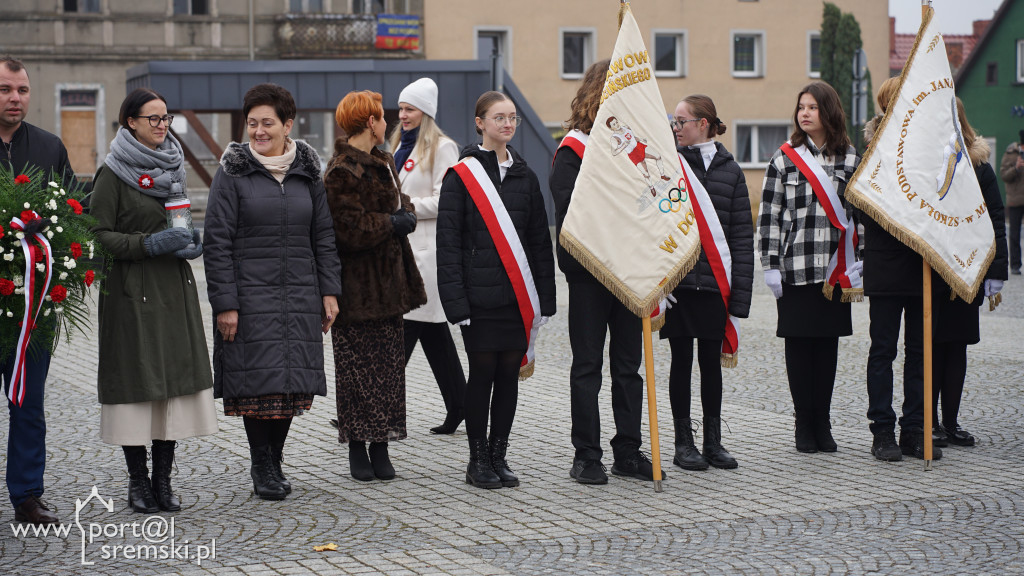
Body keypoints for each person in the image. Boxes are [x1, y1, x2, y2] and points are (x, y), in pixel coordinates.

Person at [205, 83, 342, 501]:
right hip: (249, 298)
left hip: (300, 294)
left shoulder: (307, 173)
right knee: (258, 388)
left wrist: (329, 291)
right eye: (252, 124)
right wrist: (225, 303)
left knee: (288, 387)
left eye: (268, 123)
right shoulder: (232, 174)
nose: (259, 131)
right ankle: (261, 463)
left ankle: (275, 458)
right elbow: (217, 242)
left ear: (288, 125)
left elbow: (323, 236)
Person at [91, 88, 218, 513]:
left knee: (171, 391)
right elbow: (98, 237)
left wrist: (188, 241)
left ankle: (163, 481)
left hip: (173, 291)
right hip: (132, 295)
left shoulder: (174, 166)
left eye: (166, 118)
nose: (162, 126)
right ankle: (138, 482)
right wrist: (148, 244)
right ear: (131, 122)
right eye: (153, 119)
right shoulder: (111, 173)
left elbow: (180, 219)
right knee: (137, 388)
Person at [437, 91, 556, 489]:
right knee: (482, 374)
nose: (507, 124)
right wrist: (456, 302)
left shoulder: (526, 175)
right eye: (499, 117)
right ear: (480, 123)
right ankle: (476, 461)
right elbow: (448, 243)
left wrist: (545, 298)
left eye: (513, 118)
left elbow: (540, 241)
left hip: (516, 299)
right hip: (478, 298)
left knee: (509, 375)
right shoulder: (462, 175)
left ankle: (498, 454)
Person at [550, 59, 659, 485]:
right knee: (588, 366)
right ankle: (587, 454)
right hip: (591, 273)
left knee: (629, 367)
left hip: (631, 270)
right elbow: (570, 213)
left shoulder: (635, 145)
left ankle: (628, 451)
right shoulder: (573, 149)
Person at [326, 90, 426, 482]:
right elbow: (346, 230)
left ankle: (381, 444)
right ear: (370, 122)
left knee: (387, 372)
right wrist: (390, 224)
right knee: (355, 372)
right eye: (383, 117)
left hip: (390, 287)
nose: (388, 123)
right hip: (357, 290)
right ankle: (356, 445)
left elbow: (399, 202)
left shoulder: (383, 160)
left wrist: (408, 215)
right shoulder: (341, 170)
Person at [757, 81, 861, 454]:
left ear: (828, 111)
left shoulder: (850, 158)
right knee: (799, 346)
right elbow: (769, 216)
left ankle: (823, 420)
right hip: (795, 266)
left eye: (813, 107)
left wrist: (858, 260)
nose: (804, 113)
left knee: (827, 347)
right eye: (801, 107)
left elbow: (857, 214)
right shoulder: (784, 158)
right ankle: (804, 422)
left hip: (835, 270)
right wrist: (769, 264)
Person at [0, 56, 76, 524]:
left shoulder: (48, 147)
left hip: (32, 306)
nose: (15, 98)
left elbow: (73, 214)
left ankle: (28, 495)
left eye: (22, 90)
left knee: (28, 403)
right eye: (6, 89)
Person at [663, 94, 753, 471]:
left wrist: (741, 298)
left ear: (703, 123)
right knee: (681, 362)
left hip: (716, 284)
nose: (676, 127)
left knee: (711, 366)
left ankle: (713, 441)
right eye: (674, 122)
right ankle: (684, 443)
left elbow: (741, 237)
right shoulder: (669, 166)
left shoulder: (731, 171)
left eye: (681, 121)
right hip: (680, 286)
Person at [860, 77, 934, 462]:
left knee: (921, 352)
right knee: (884, 351)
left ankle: (917, 429)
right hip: (887, 267)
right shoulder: (873, 152)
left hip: (923, 266)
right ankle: (882, 431)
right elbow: (859, 203)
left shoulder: (930, 148)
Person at [388, 78, 467, 435]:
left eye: (410, 109)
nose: (403, 115)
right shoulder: (396, 148)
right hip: (402, 254)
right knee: (435, 338)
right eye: (401, 108)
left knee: (401, 337)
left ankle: (374, 410)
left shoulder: (443, 148)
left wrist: (403, 207)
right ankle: (460, 405)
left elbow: (446, 200)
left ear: (426, 113)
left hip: (426, 257)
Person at [931, 99, 1008, 447]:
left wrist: (997, 271)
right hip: (930, 270)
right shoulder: (924, 165)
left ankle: (950, 421)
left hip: (968, 270)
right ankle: (927, 421)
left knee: (956, 347)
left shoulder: (980, 167)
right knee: (929, 348)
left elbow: (996, 220)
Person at [1000, 130, 1024, 276]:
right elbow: (1004, 175)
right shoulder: (1010, 154)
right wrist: (1016, 168)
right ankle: (1015, 265)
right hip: (1015, 200)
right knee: (1014, 234)